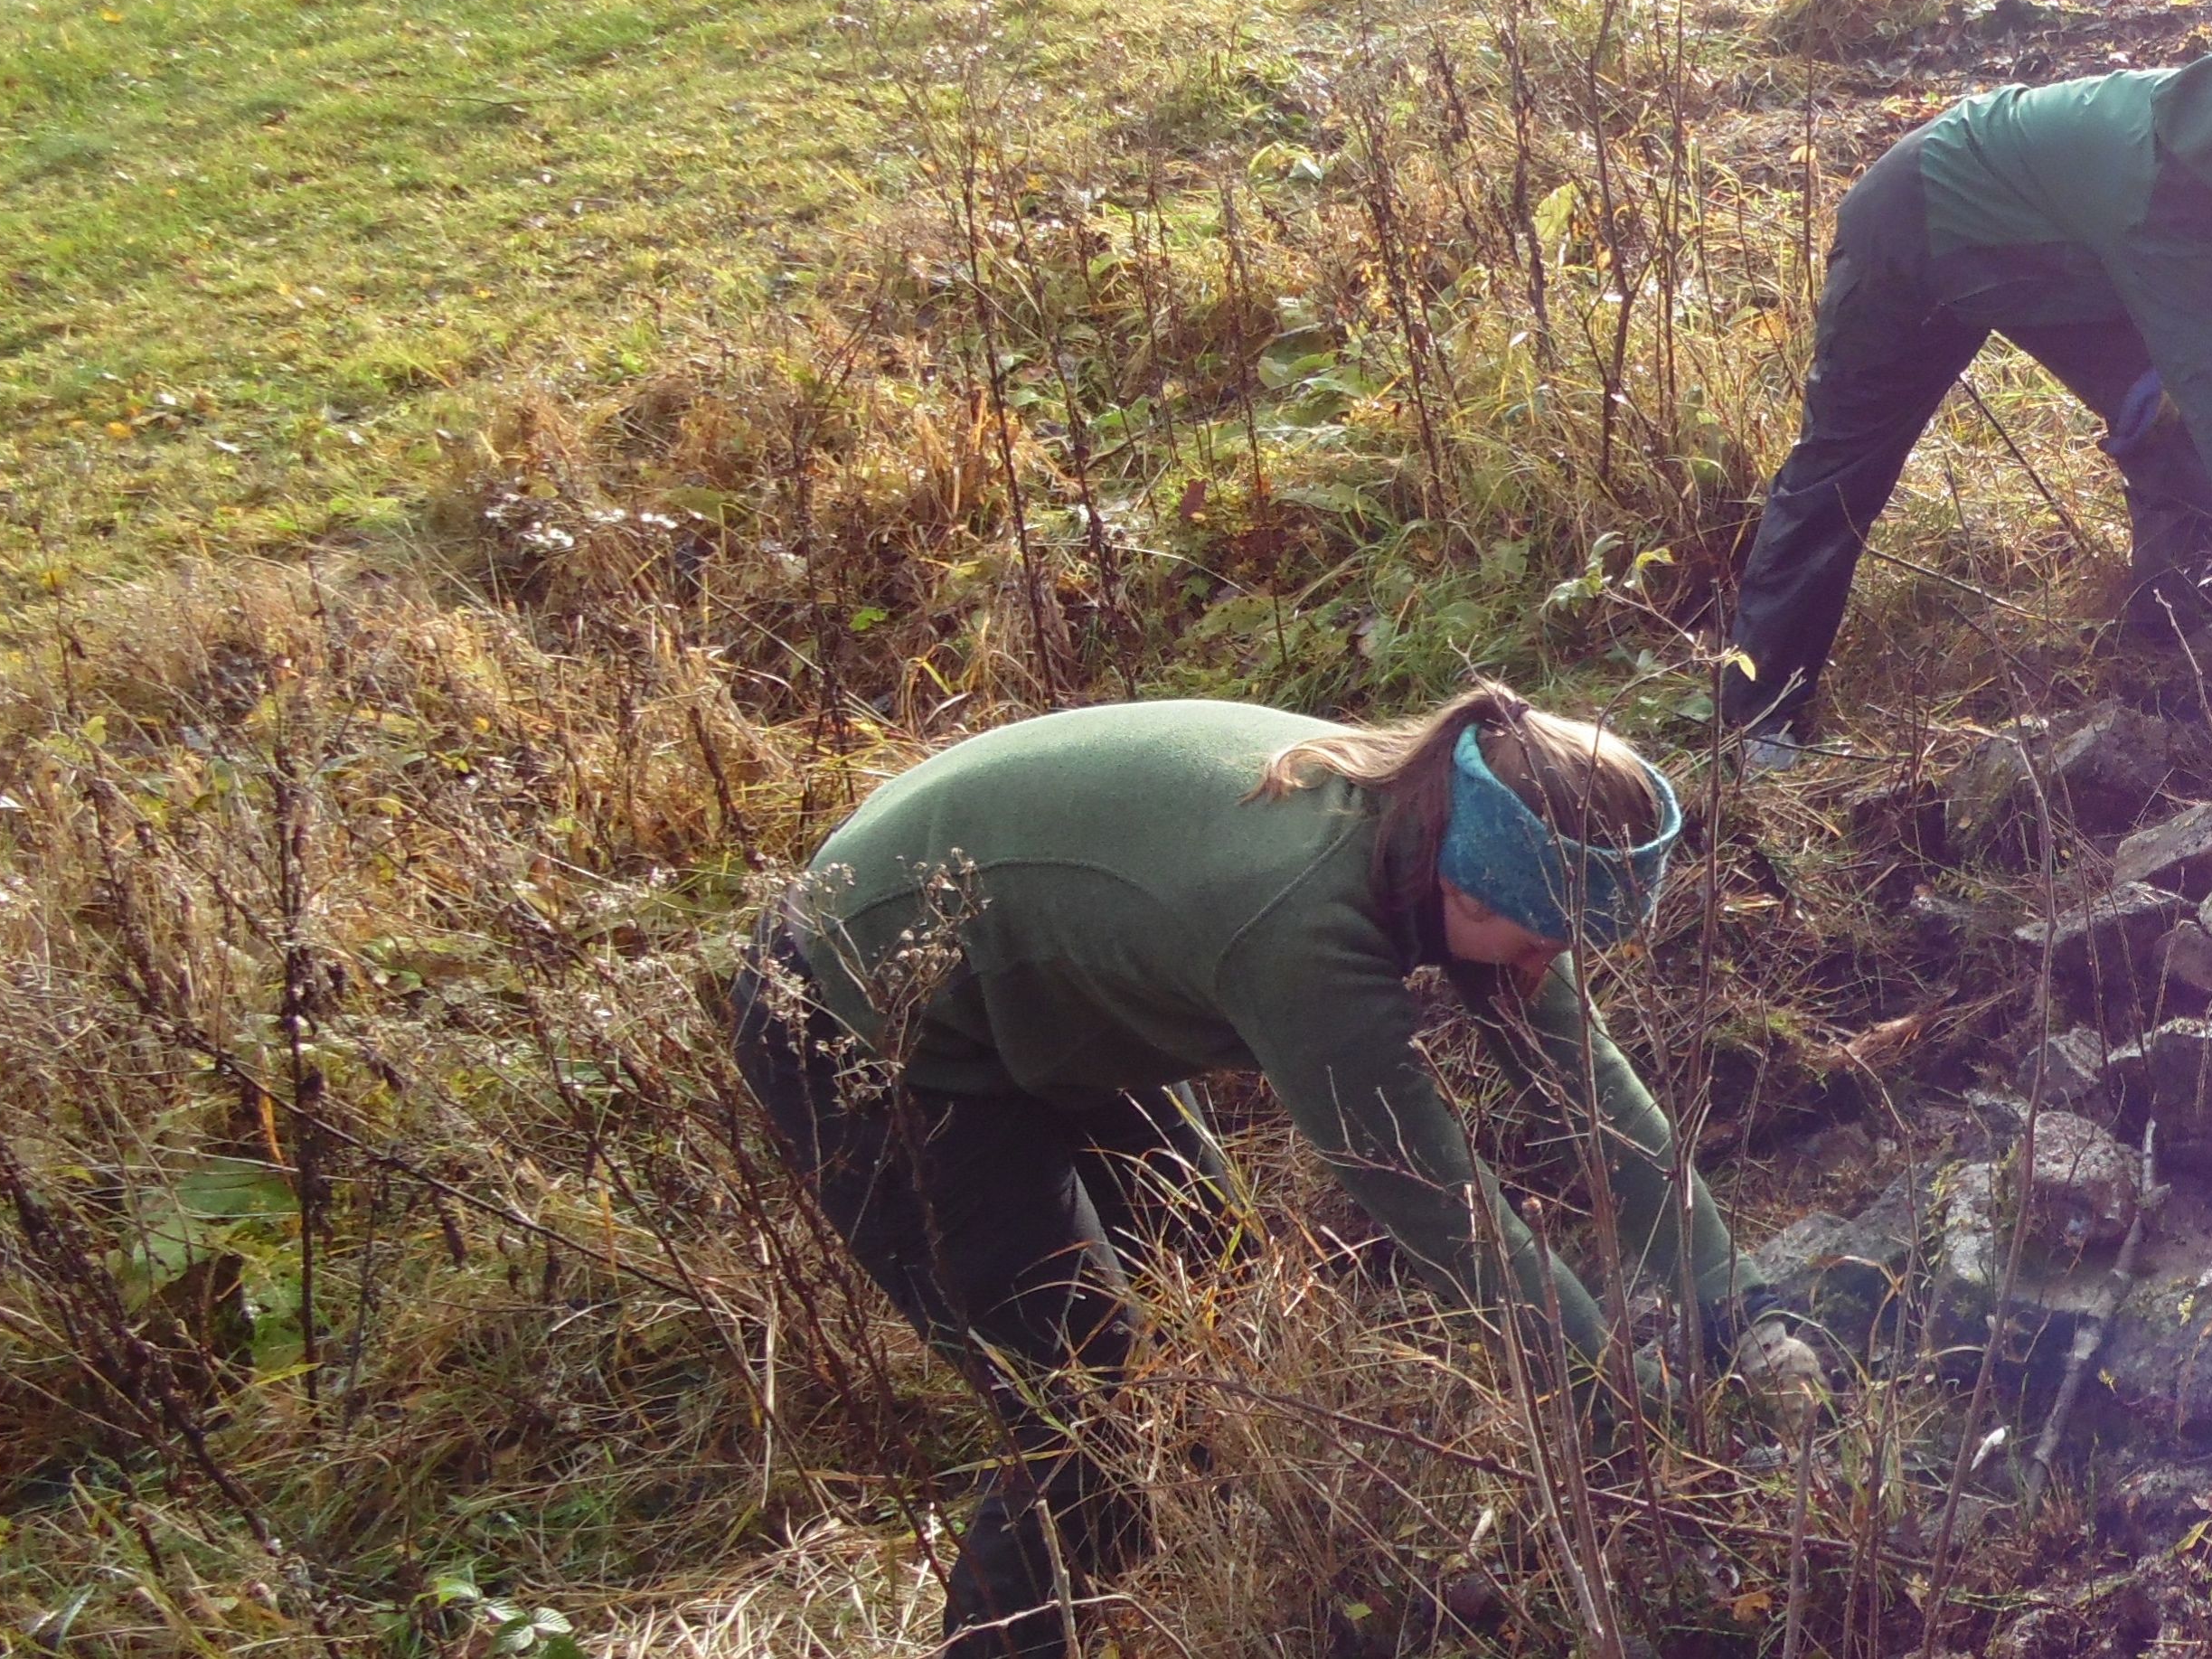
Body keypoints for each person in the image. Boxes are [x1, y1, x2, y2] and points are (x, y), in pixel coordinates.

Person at [735, 686, 1771, 1659]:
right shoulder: (1298, 922)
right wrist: (1620, 1423)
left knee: (1216, 1300)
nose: (1548, 966)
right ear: (1469, 879)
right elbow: (1450, 1215)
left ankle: (1240, 1598)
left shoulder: (1453, 818)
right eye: (1545, 939)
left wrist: (1734, 1303)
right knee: (1092, 1406)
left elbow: (1587, 1088)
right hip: (858, 1015)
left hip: (1044, 979)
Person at [1718, 32, 2212, 763]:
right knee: (1841, 479)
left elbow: (2199, 386)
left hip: (2053, 258)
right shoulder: (2165, 200)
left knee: (2169, 427)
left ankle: (2170, 650)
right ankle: (1759, 718)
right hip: (1917, 234)